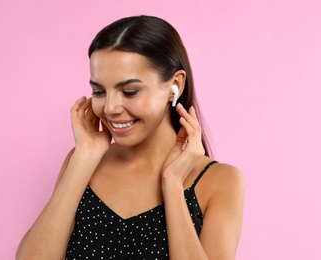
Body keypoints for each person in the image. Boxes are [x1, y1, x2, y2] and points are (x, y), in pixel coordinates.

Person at [16, 15, 245, 259]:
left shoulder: (219, 181)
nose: (110, 107)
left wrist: (173, 186)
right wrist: (84, 157)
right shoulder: (81, 162)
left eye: (129, 91)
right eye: (99, 91)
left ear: (174, 86)